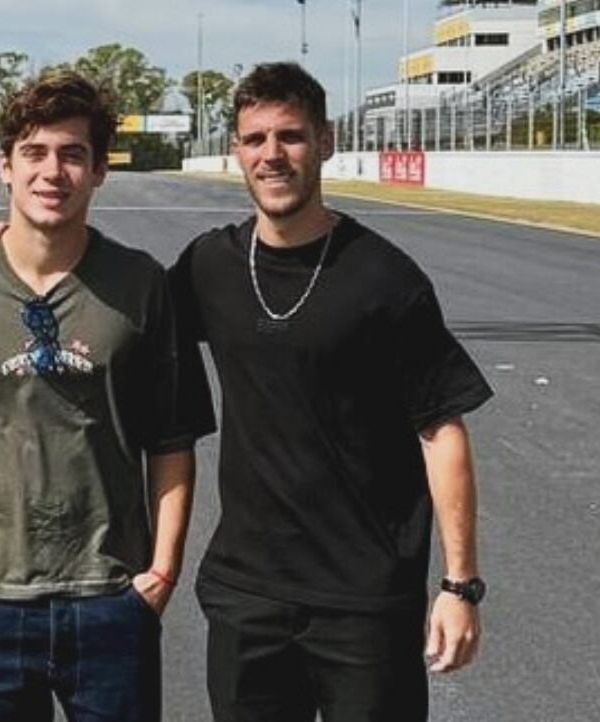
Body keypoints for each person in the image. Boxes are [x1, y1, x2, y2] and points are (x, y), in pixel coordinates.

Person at [169, 62, 492, 721]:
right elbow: (123, 318)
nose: (272, 155)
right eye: (255, 139)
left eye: (289, 136)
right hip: (248, 595)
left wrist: (460, 586)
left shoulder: (385, 279)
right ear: (236, 151)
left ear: (325, 141)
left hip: (365, 602)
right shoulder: (210, 266)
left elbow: (442, 431)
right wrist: (24, 241)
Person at [0, 72, 214, 722]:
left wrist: (159, 576)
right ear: (5, 167)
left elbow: (171, 442)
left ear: (100, 169)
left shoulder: (142, 286)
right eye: (35, 153)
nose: (54, 171)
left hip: (109, 597)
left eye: (73, 154)